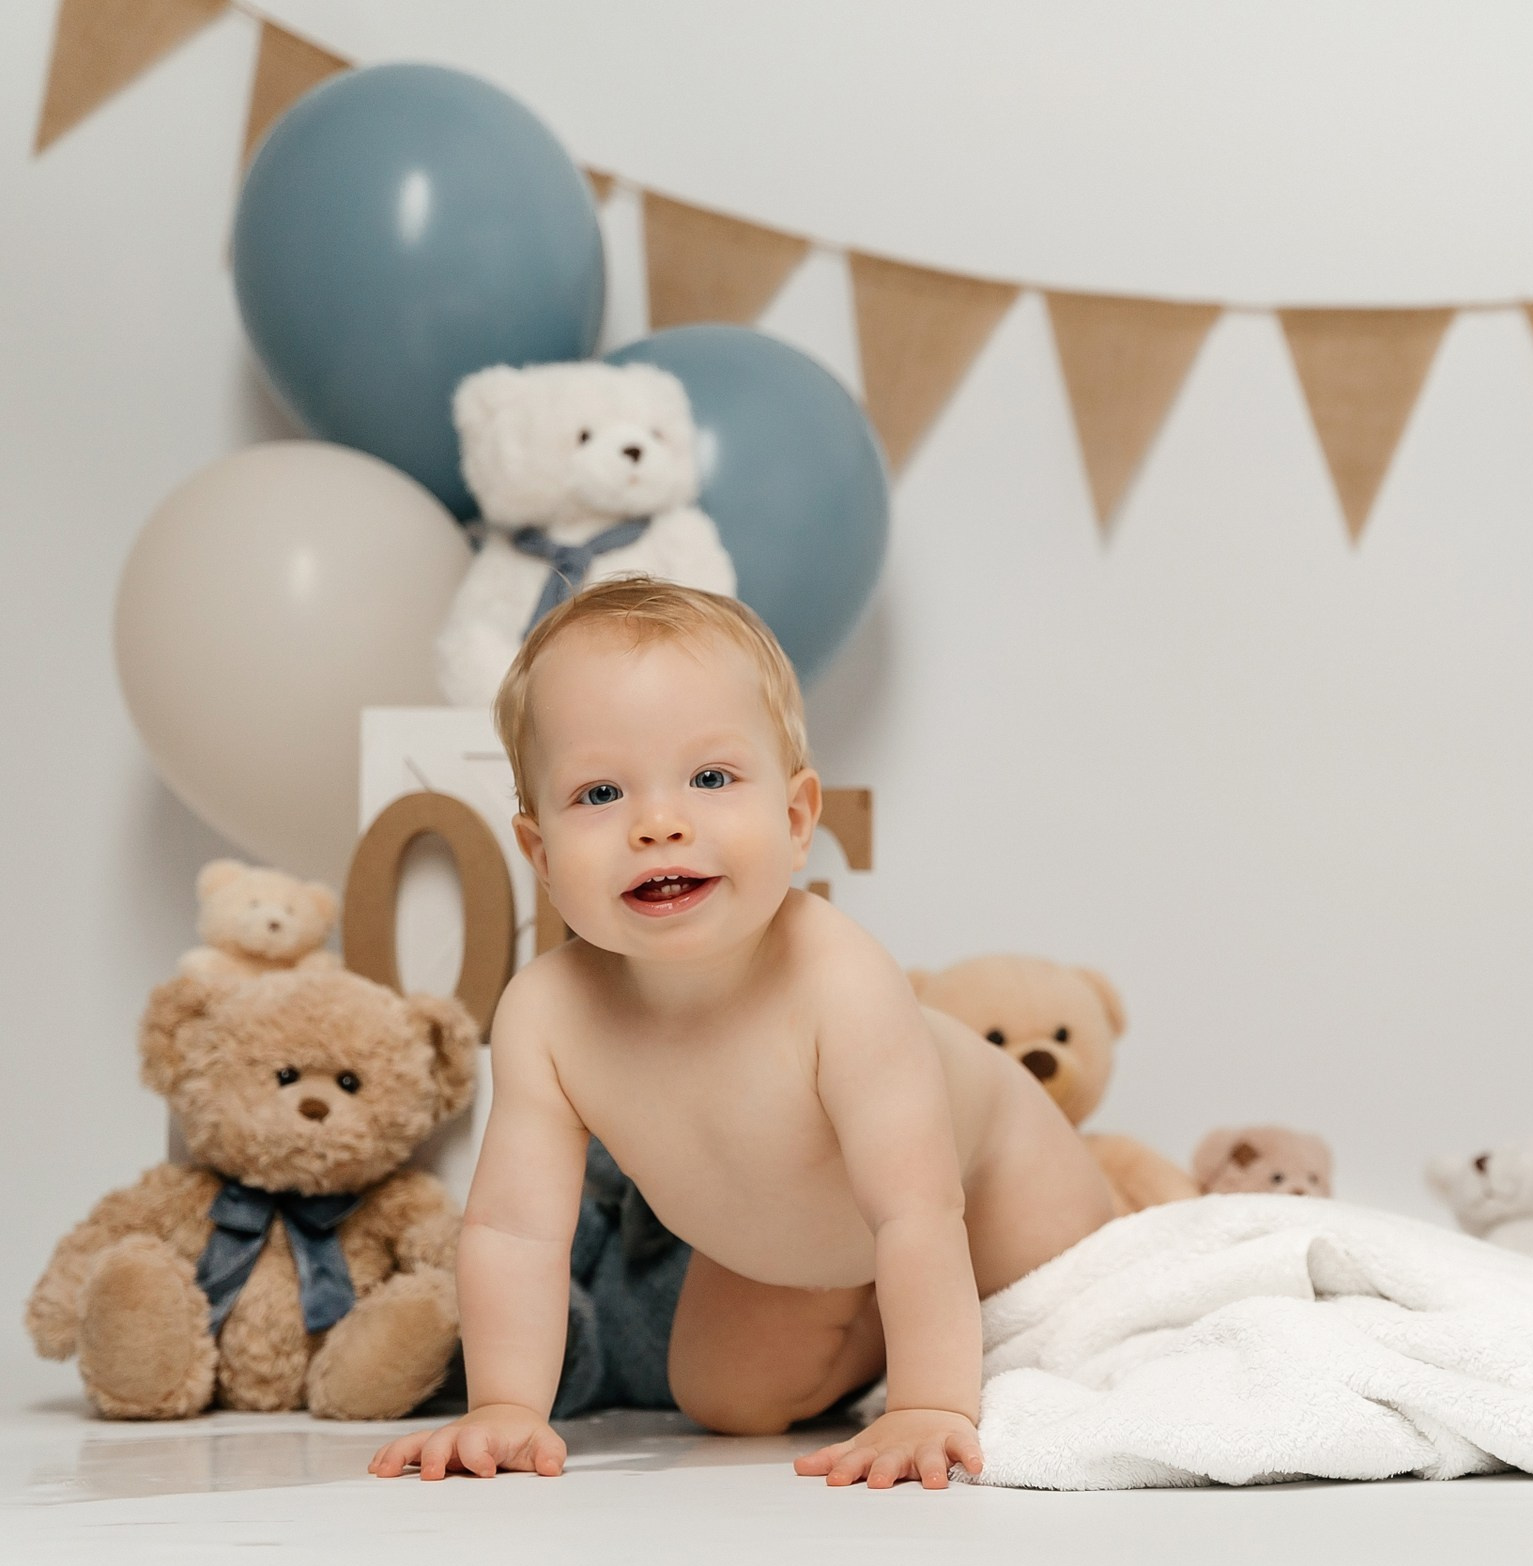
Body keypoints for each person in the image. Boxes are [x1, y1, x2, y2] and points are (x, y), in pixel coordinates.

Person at [370, 579, 1118, 1489]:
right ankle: (879, 1315)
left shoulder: (838, 979)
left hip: (983, 1187)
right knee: (725, 1398)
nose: (659, 822)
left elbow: (916, 1208)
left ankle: (953, 1320)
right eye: (600, 791)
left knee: (1069, 1332)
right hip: (803, 1249)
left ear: (797, 819)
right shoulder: (548, 1015)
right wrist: (505, 1407)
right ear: (540, 855)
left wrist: (927, 1405)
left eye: (712, 778)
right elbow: (516, 1231)